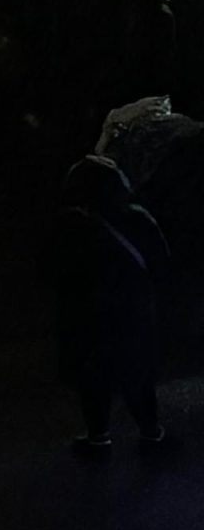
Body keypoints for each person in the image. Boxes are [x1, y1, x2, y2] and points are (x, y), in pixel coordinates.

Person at [49, 155, 174, 457]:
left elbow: (52, 271)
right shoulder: (137, 218)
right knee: (137, 373)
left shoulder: (69, 224)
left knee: (92, 376)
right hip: (133, 312)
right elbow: (160, 262)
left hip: (86, 316)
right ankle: (151, 432)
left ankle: (98, 437)